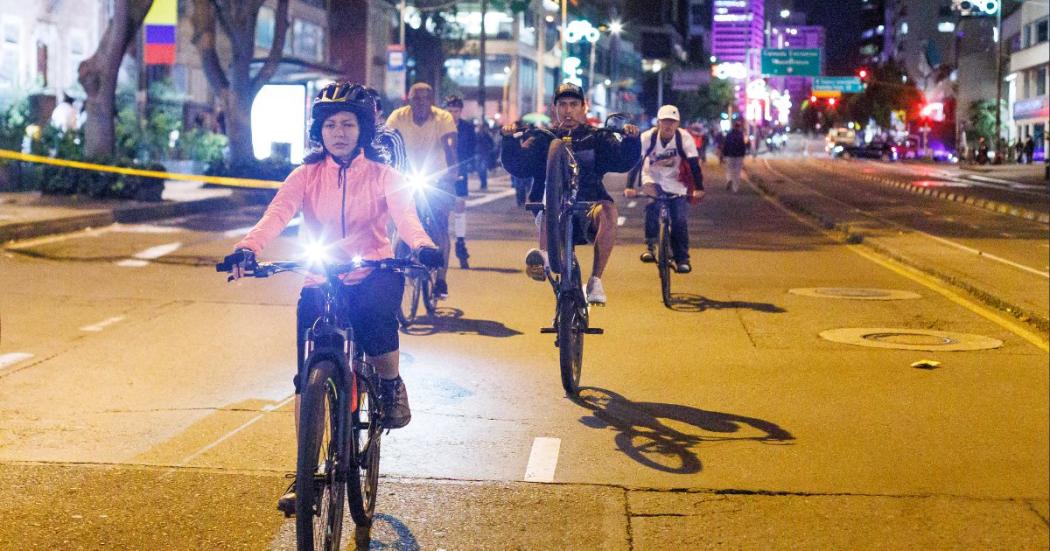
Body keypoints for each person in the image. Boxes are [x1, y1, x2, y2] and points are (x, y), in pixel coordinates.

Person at [224, 81, 441, 514]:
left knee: (377, 318)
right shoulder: (304, 175)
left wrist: (421, 247)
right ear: (318, 132)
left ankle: (391, 384)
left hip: (374, 268)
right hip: (321, 273)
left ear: (363, 129)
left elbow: (407, 220)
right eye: (330, 125)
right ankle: (305, 469)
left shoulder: (385, 175)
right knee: (309, 373)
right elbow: (276, 215)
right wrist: (248, 249)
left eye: (348, 124)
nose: (338, 132)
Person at [500, 82, 641, 305]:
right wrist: (508, 140)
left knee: (609, 210)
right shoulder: (542, 138)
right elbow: (518, 166)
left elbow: (623, 161)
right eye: (563, 105)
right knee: (549, 206)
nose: (568, 110)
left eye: (574, 104)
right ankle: (543, 258)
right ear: (554, 108)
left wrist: (632, 141)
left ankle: (595, 280)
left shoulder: (597, 137)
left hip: (588, 210)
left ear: (583, 107)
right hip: (551, 212)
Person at [386, 83, 462, 296]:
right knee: (400, 225)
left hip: (436, 177)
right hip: (405, 177)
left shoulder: (443, 118)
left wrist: (452, 172)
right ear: (408, 100)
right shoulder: (398, 117)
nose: (421, 103)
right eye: (416, 98)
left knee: (440, 226)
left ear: (432, 101)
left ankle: (441, 280)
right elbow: (388, 144)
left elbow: (450, 145)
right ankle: (391, 275)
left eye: (425, 98)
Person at [625, 105, 705, 273]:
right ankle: (650, 246)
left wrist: (698, 188)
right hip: (652, 177)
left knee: (679, 220)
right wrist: (629, 186)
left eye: (672, 122)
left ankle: (682, 258)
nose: (668, 126)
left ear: (677, 124)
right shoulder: (647, 138)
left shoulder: (684, 138)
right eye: (665, 121)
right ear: (659, 122)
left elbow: (693, 165)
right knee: (652, 206)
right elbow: (635, 162)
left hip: (676, 181)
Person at [442, 95, 475, 269]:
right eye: (450, 111)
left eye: (456, 111)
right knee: (441, 209)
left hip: (459, 173)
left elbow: (471, 150)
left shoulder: (467, 128)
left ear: (460, 111)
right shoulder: (438, 125)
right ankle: (440, 240)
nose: (453, 114)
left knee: (460, 206)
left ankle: (460, 242)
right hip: (439, 173)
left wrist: (464, 168)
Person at [366, 87, 407, 173]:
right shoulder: (351, 136)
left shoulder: (390, 136)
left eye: (371, 110)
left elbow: (400, 169)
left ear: (379, 112)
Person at [721, 121, 748, 192]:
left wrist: (724, 154)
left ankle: (729, 179)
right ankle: (735, 188)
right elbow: (743, 145)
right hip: (739, 156)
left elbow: (725, 144)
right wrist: (743, 154)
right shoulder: (741, 135)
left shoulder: (729, 134)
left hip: (730, 155)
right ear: (739, 127)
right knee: (737, 171)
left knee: (729, 169)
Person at [476, 122, 495, 191]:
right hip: (478, 154)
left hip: (485, 154)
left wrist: (489, 149)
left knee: (483, 169)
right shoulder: (477, 135)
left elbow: (492, 143)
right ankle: (482, 182)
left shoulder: (487, 135)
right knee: (479, 169)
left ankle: (484, 183)